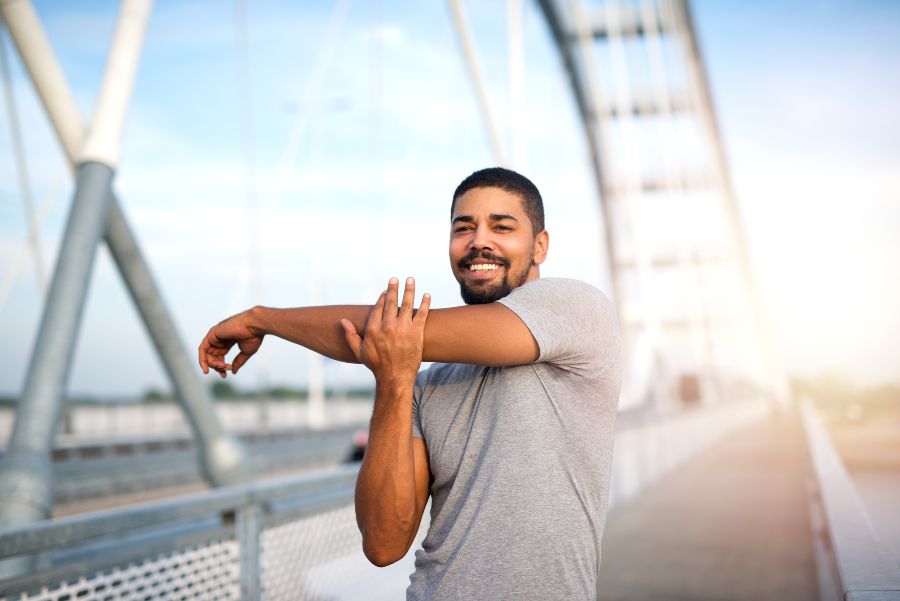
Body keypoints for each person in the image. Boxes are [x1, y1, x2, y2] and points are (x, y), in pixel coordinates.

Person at [198, 167, 622, 600]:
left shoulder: (576, 308)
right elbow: (383, 545)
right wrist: (393, 385)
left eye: (502, 226)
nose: (479, 240)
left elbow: (386, 331)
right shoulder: (424, 385)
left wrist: (262, 319)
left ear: (540, 246)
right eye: (463, 228)